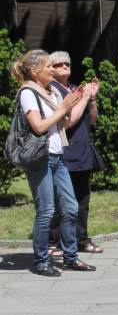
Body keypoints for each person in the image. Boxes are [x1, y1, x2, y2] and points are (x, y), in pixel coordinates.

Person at [11, 50, 96, 276]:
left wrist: (75, 101)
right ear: (34, 71)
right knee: (47, 210)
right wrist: (63, 107)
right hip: (40, 159)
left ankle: (70, 257)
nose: (52, 69)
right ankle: (41, 260)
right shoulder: (29, 92)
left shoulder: (53, 92)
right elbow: (38, 127)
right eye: (48, 66)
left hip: (58, 158)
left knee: (70, 207)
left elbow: (65, 122)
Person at [47, 51, 103, 255]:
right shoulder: (51, 91)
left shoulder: (74, 89)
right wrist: (85, 95)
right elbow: (68, 121)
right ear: (49, 69)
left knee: (82, 199)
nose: (64, 66)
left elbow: (93, 120)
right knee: (59, 200)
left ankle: (81, 239)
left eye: (67, 63)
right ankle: (52, 241)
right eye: (58, 64)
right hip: (63, 152)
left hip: (81, 152)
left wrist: (92, 99)